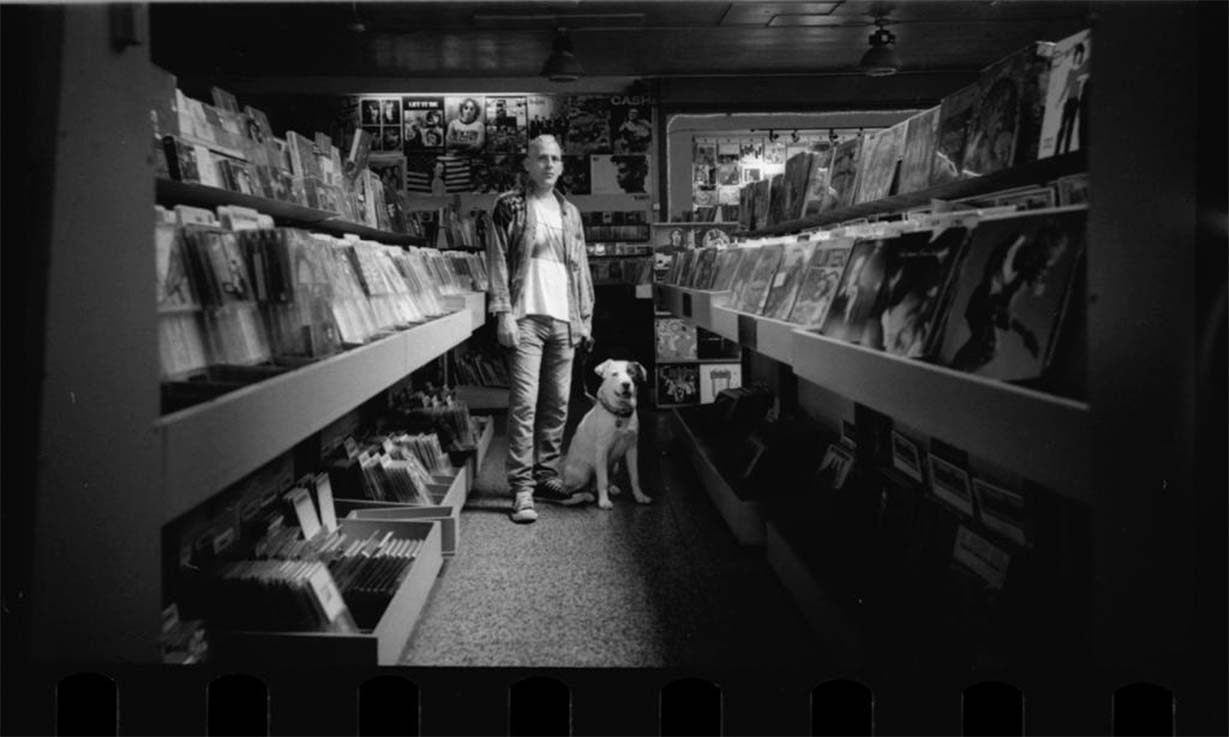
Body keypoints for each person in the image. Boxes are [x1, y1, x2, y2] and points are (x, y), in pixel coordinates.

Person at [487, 134, 596, 523]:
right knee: (524, 404)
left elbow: (580, 268)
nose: (549, 164)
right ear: (528, 164)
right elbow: (497, 261)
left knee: (558, 404)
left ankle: (547, 474)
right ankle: (521, 489)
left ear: (562, 165)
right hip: (526, 318)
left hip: (564, 318)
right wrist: (503, 312)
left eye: (555, 158)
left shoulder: (570, 213)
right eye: (541, 158)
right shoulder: (509, 206)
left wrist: (584, 318)